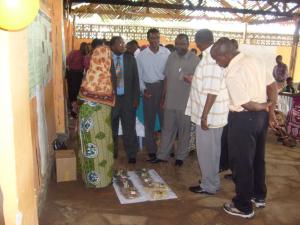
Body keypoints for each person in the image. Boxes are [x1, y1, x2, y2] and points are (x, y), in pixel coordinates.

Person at [211, 37, 277, 218]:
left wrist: (265, 105)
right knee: (257, 158)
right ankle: (258, 195)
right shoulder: (254, 60)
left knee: (241, 162)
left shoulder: (232, 73)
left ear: (225, 55)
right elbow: (272, 85)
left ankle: (243, 206)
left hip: (243, 119)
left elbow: (248, 104)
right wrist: (270, 111)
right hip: (260, 120)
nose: (217, 63)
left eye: (217, 59)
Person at [186, 29, 229, 195]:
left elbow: (212, 90)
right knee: (213, 151)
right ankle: (212, 181)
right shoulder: (212, 56)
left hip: (208, 116)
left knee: (206, 152)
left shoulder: (212, 58)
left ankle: (209, 185)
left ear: (197, 42)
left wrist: (204, 116)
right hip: (213, 114)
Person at [151, 34, 199, 166]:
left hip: (186, 103)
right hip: (170, 101)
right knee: (167, 129)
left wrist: (190, 79)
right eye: (177, 44)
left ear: (188, 44)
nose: (179, 46)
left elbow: (200, 82)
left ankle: (180, 157)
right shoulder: (171, 57)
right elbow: (166, 78)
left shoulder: (195, 59)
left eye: (182, 44)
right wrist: (163, 97)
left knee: (184, 131)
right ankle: (162, 155)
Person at [77, 44, 116, 188]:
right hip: (102, 121)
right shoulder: (106, 76)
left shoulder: (91, 74)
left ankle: (91, 180)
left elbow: (81, 97)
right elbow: (110, 100)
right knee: (103, 145)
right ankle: (103, 179)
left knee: (89, 146)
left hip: (88, 119)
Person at [136, 28, 170, 161]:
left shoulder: (166, 52)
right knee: (149, 121)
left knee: (165, 122)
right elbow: (139, 76)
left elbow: (169, 74)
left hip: (163, 87)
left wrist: (166, 92)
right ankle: (151, 149)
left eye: (157, 37)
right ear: (148, 39)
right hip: (148, 88)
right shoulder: (141, 55)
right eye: (153, 38)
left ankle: (166, 149)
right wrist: (143, 89)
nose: (155, 40)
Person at [110, 36, 140, 164]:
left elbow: (136, 80)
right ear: (112, 46)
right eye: (120, 44)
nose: (123, 45)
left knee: (129, 127)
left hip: (127, 100)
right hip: (112, 100)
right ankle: (112, 152)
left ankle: (132, 153)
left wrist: (136, 98)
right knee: (112, 127)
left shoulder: (130, 59)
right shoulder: (106, 60)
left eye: (123, 43)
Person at [66, 42, 88, 117]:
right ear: (81, 47)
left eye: (86, 47)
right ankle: (73, 109)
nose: (85, 49)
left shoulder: (85, 56)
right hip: (73, 74)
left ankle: (76, 108)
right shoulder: (74, 53)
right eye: (84, 47)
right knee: (73, 91)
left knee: (78, 91)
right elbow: (67, 61)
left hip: (79, 75)